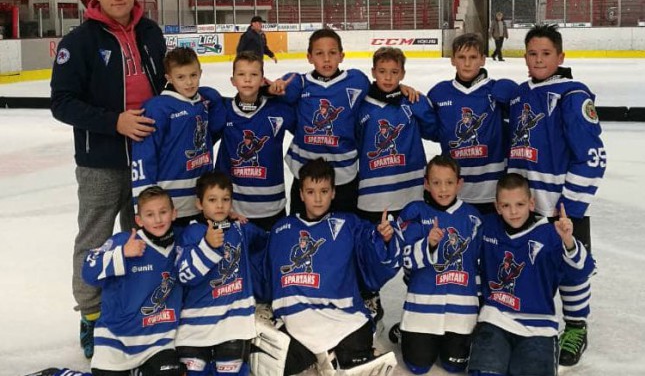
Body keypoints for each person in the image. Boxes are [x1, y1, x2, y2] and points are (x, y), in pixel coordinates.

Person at [50, 0, 166, 359]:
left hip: (147, 157)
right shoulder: (79, 42)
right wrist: (114, 122)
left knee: (145, 235)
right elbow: (62, 102)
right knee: (96, 239)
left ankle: (140, 306)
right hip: (100, 160)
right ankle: (91, 315)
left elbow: (165, 86)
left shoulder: (151, 33)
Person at [507, 23, 606, 366]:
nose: (538, 59)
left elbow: (592, 158)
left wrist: (571, 206)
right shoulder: (519, 94)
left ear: (560, 56)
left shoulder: (572, 95)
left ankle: (576, 326)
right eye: (532, 53)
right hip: (525, 206)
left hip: (560, 207)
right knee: (530, 263)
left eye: (546, 53)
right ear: (524, 57)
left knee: (572, 269)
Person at [252, 158, 400, 375]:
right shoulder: (283, 228)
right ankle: (328, 355)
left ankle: (331, 354)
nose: (318, 198)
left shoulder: (348, 224)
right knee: (277, 364)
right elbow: (265, 269)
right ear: (301, 194)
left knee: (357, 347)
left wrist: (382, 238)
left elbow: (370, 248)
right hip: (296, 318)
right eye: (311, 192)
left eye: (324, 191)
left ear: (333, 192)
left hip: (342, 315)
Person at [269, 28, 418, 215]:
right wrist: (272, 88)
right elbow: (279, 98)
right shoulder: (300, 83)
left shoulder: (356, 81)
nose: (326, 59)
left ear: (341, 56)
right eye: (319, 53)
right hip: (305, 173)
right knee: (303, 225)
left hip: (344, 174)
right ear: (309, 57)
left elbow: (381, 88)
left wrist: (400, 88)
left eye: (332, 53)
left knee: (346, 227)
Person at [468, 173, 595, 376]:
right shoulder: (487, 227)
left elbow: (582, 271)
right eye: (506, 205)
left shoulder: (550, 235)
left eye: (520, 204)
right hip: (494, 321)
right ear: (497, 207)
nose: (513, 211)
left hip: (539, 327)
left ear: (532, 203)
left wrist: (569, 241)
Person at [393, 155, 482, 374]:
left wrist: (479, 307)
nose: (443, 189)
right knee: (418, 366)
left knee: (454, 366)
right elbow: (403, 259)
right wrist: (428, 245)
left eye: (449, 182)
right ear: (426, 183)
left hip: (461, 311)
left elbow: (479, 264)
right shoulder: (414, 212)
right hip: (423, 306)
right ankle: (406, 331)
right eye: (436, 182)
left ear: (459, 184)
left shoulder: (473, 218)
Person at [174, 171, 269, 376]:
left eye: (225, 199)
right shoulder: (191, 233)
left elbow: (269, 242)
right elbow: (184, 276)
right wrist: (207, 246)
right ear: (199, 204)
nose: (220, 205)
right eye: (212, 200)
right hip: (195, 328)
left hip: (233, 324)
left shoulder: (240, 230)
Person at [82, 186, 184, 376]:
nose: (158, 219)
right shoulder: (124, 241)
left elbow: (215, 228)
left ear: (174, 213)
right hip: (115, 341)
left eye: (163, 212)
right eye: (150, 214)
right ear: (139, 220)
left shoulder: (183, 241)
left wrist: (232, 221)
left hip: (158, 341)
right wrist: (122, 253)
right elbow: (88, 272)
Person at [131, 47, 225, 227]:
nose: (189, 82)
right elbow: (144, 157)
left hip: (202, 202)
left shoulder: (205, 101)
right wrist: (144, 207)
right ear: (169, 78)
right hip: (169, 206)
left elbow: (215, 129)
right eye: (181, 77)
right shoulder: (157, 108)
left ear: (200, 73)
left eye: (193, 75)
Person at [427, 32, 517, 215]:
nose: (467, 63)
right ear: (452, 60)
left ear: (483, 59)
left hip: (493, 191)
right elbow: (434, 132)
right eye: (461, 57)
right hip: (452, 191)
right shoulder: (438, 93)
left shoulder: (496, 90)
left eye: (473, 57)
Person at [215, 52, 296, 231]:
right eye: (241, 74)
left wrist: (279, 91)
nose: (247, 79)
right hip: (233, 209)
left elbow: (305, 126)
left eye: (254, 74)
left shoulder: (278, 109)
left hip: (272, 208)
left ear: (262, 80)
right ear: (232, 80)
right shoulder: (223, 110)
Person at [356, 46, 438, 223]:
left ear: (402, 74)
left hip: (412, 192)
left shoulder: (412, 101)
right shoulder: (361, 106)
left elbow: (435, 132)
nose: (388, 77)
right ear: (373, 72)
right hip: (372, 197)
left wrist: (422, 105)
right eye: (382, 71)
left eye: (394, 72)